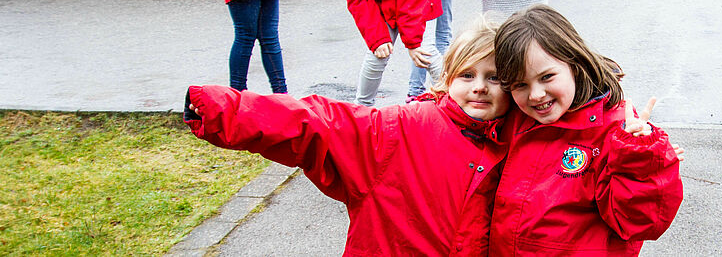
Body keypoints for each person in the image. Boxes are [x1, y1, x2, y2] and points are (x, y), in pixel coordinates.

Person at [182, 20, 510, 255]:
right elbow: (315, 123)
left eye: (494, 78)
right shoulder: (399, 130)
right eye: (467, 75)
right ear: (448, 78)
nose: (479, 87)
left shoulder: (516, 143)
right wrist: (222, 110)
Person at [490, 4, 684, 255]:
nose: (536, 94)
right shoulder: (512, 118)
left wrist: (643, 161)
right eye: (520, 84)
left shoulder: (617, 132)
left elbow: (639, 221)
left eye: (547, 77)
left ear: (574, 64)